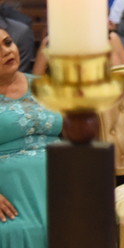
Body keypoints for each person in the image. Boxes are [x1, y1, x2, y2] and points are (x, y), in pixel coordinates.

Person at [0, 27, 62, 248]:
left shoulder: (45, 86)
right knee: (15, 230)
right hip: (10, 193)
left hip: (62, 178)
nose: (6, 51)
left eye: (8, 42)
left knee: (82, 220)